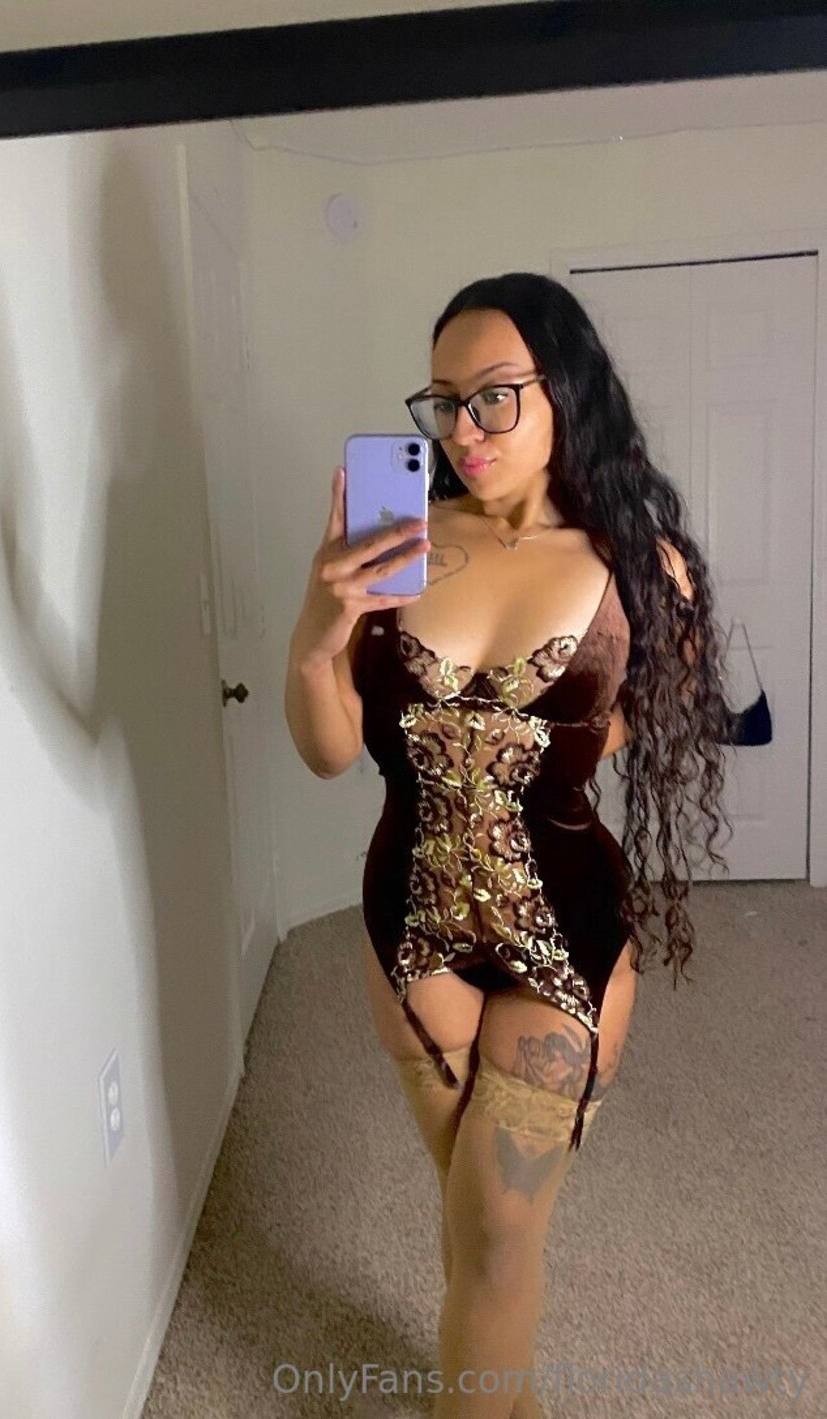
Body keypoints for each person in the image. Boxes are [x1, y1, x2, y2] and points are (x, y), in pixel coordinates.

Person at [283, 272, 732, 1419]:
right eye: (442, 402)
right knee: (479, 1231)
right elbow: (329, 751)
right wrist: (318, 638)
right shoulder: (394, 541)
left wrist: (559, 729)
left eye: (494, 396)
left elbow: (646, 722)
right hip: (410, 932)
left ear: (564, 388)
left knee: (494, 1233)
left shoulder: (641, 563)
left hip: (565, 935)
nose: (463, 430)